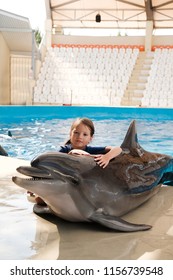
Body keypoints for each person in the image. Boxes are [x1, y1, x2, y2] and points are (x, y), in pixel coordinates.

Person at [34, 117, 122, 205]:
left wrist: (107, 157)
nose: (80, 137)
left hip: (80, 185)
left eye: (85, 134)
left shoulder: (91, 150)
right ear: (70, 134)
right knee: (39, 199)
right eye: (76, 133)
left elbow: (118, 149)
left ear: (90, 138)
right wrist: (36, 184)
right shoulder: (63, 150)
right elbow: (48, 167)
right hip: (63, 182)